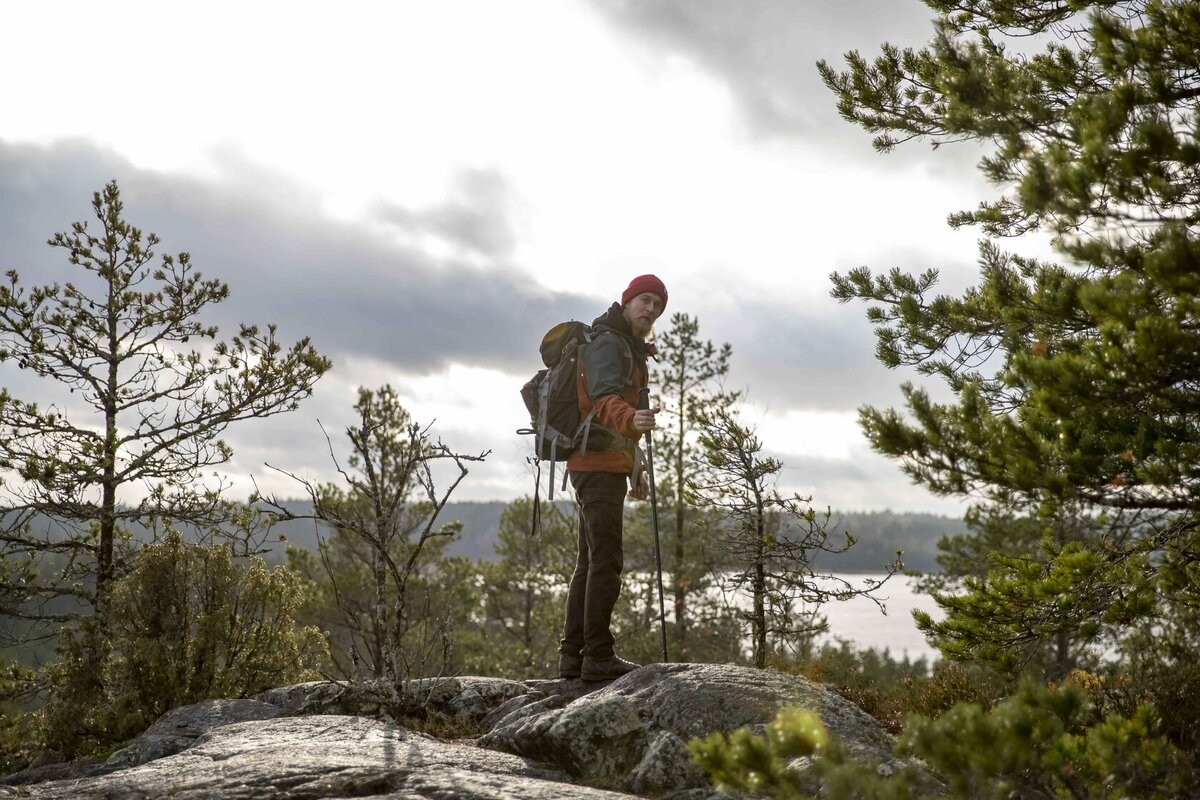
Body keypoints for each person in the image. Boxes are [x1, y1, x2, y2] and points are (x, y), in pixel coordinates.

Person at [558, 274, 667, 682]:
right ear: (627, 302)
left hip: (603, 462)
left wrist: (635, 463)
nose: (650, 309)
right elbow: (604, 398)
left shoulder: (629, 348)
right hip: (596, 463)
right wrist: (632, 419)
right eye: (645, 300)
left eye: (657, 304)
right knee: (606, 561)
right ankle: (598, 656)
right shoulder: (608, 343)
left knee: (590, 563)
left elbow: (615, 412)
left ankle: (573, 656)